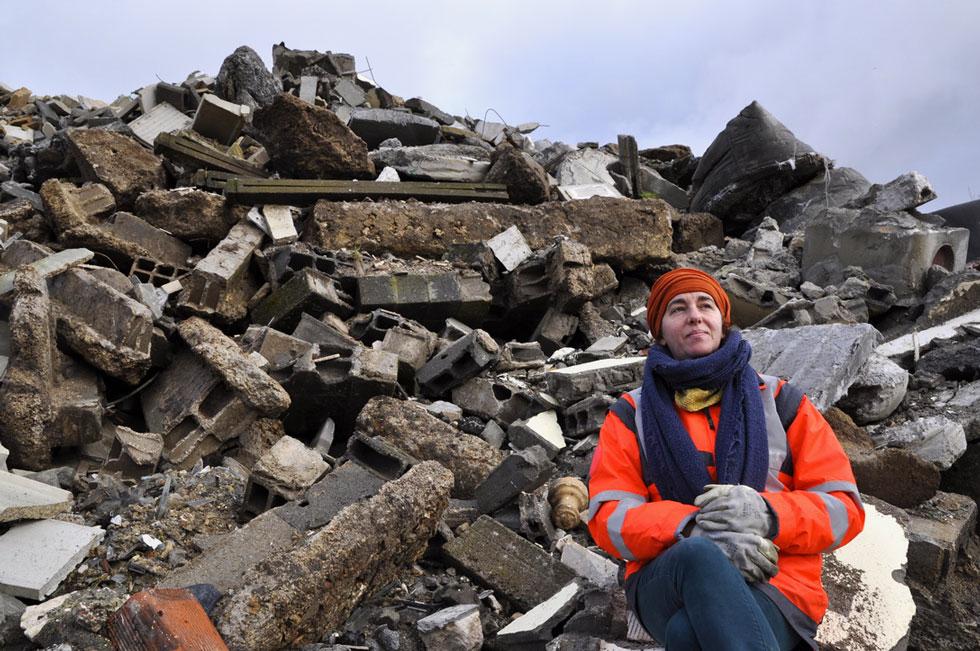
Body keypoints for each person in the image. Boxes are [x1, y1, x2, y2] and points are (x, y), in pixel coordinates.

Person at [587, 268, 865, 650]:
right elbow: (608, 518)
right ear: (660, 330)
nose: (695, 316)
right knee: (699, 555)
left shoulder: (783, 403)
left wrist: (767, 514)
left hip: (777, 585)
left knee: (688, 635)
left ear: (723, 320)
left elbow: (845, 510)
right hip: (666, 581)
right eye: (678, 309)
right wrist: (692, 529)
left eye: (706, 305)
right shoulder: (631, 414)